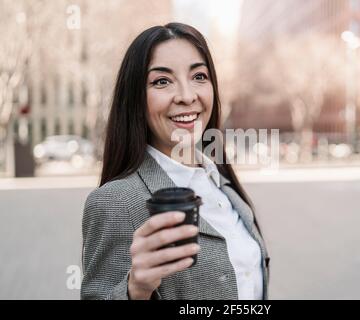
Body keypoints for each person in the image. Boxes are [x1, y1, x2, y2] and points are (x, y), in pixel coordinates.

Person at [81, 22, 270, 300]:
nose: (186, 96)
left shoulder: (222, 184)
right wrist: (135, 290)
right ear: (135, 99)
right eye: (161, 81)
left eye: (199, 76)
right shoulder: (115, 202)